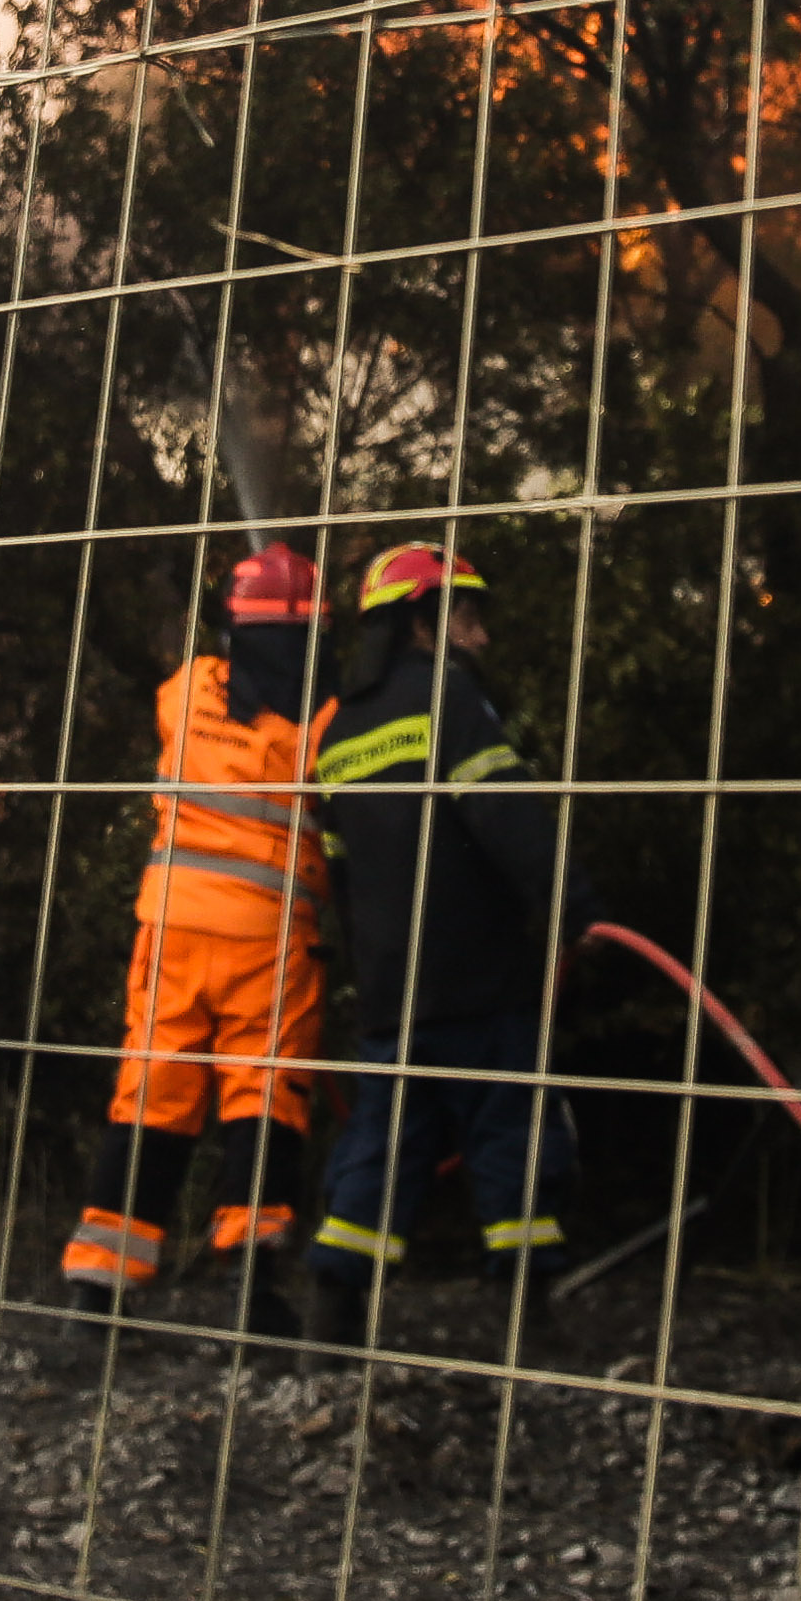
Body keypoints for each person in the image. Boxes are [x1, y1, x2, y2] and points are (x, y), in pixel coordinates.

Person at [300, 539, 581, 1352]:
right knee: (511, 1138)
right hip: (481, 981)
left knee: (383, 1145)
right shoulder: (452, 700)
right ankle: (532, 1323)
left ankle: (333, 1313)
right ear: (423, 621)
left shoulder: (338, 729)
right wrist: (576, 906)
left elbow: (342, 877)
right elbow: (509, 817)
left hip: (394, 993)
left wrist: (373, 970)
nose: (481, 638)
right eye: (467, 616)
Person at [60, 542, 334, 1328]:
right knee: (264, 1095)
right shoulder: (319, 721)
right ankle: (254, 1282)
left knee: (153, 1089)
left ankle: (99, 1282)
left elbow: (208, 672)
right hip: (269, 938)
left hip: (172, 926)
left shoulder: (185, 695)